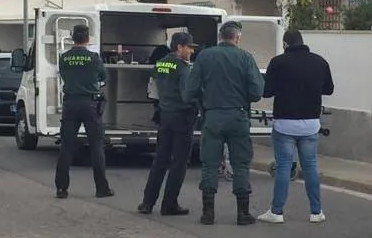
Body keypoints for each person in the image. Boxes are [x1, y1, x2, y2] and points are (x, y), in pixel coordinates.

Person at [183, 21, 264, 226]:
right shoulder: (246, 58)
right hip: (238, 117)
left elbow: (190, 91)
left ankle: (208, 213)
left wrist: (202, 99)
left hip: (212, 117)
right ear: (237, 38)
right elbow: (256, 93)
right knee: (241, 164)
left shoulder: (205, 56)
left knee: (210, 164)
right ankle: (243, 213)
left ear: (221, 36)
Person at [257, 30, 334, 224]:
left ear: (285, 44)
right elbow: (329, 89)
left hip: (285, 123)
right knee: (310, 167)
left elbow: (267, 92)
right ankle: (316, 212)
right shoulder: (320, 61)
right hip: (311, 124)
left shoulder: (278, 62)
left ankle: (276, 212)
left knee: (283, 166)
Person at [137, 33, 198, 215]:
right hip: (182, 117)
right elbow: (187, 95)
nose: (192, 51)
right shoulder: (184, 69)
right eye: (189, 47)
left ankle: (147, 202)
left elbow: (153, 90)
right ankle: (169, 203)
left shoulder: (160, 63)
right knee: (179, 162)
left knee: (160, 160)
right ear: (179, 47)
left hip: (165, 116)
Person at [54, 24, 114, 199]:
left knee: (66, 147)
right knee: (96, 147)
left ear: (73, 38)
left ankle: (61, 188)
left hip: (70, 104)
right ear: (88, 39)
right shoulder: (93, 58)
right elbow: (104, 77)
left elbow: (64, 76)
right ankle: (101, 188)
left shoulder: (64, 58)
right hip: (90, 104)